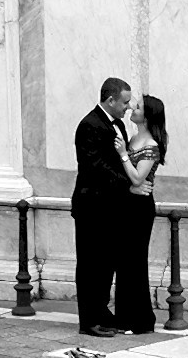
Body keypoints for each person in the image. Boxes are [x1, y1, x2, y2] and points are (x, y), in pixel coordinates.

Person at [71, 78, 132, 336]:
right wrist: (128, 183)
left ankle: (101, 312)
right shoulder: (89, 125)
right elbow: (95, 166)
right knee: (90, 265)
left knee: (106, 263)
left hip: (109, 207)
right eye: (125, 102)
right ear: (111, 100)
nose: (128, 108)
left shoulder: (116, 124)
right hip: (91, 207)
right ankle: (89, 321)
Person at [114, 94, 166, 334]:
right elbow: (130, 180)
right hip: (126, 204)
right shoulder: (133, 137)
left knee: (135, 261)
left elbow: (137, 177)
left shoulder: (151, 145)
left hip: (140, 208)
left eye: (138, 107)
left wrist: (124, 154)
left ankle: (142, 320)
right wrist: (129, 186)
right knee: (123, 261)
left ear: (148, 115)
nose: (132, 108)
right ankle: (124, 317)